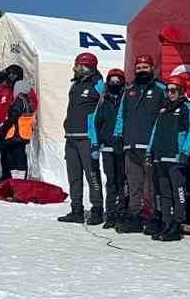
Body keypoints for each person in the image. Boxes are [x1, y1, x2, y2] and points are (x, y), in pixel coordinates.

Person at [115, 54, 167, 234]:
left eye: (145, 67)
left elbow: (166, 116)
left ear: (151, 68)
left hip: (150, 146)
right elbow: (122, 114)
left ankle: (155, 217)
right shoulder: (129, 90)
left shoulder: (161, 89)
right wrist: (118, 133)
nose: (141, 70)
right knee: (134, 183)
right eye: (138, 68)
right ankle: (134, 217)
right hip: (131, 144)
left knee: (151, 185)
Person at [149, 74, 190, 241]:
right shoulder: (163, 109)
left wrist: (185, 152)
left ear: (181, 91)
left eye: (174, 90)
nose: (170, 93)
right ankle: (167, 223)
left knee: (178, 192)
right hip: (160, 156)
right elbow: (155, 131)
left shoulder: (187, 108)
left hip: (176, 157)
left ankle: (177, 225)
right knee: (164, 192)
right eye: (168, 90)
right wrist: (150, 150)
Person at [57, 52, 104, 224]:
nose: (74, 68)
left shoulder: (98, 84)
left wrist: (98, 136)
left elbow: (104, 109)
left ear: (86, 67)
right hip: (71, 137)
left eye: (76, 65)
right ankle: (76, 210)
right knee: (74, 176)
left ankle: (97, 210)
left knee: (92, 175)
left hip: (87, 138)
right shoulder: (75, 84)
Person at [94, 68, 129, 226]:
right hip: (107, 146)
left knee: (121, 179)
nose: (115, 83)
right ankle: (111, 213)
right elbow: (97, 122)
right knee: (111, 180)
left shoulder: (127, 99)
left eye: (118, 80)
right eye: (112, 80)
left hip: (121, 145)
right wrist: (98, 142)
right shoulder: (103, 100)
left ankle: (122, 211)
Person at [0, 64, 35, 176]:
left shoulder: (25, 90)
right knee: (5, 153)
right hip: (3, 126)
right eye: (10, 73)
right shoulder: (3, 88)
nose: (11, 75)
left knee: (17, 154)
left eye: (14, 73)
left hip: (15, 129)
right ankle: (6, 176)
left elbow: (32, 106)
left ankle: (17, 178)